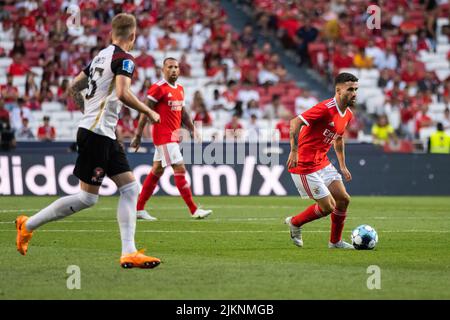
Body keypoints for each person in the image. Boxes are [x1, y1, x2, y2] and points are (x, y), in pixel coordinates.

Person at [15, 13, 162, 269]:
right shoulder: (124, 59)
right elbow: (123, 93)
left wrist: (89, 113)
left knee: (130, 188)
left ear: (111, 34)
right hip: (97, 134)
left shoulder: (101, 56)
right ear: (134, 36)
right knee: (87, 199)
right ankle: (27, 225)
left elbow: (73, 86)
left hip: (102, 132)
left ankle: (129, 251)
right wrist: (149, 111)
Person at [131, 57, 212, 221]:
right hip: (164, 136)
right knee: (180, 169)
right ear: (163, 70)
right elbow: (145, 111)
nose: (174, 69)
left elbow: (183, 113)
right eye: (170, 67)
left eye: (176, 67)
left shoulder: (180, 89)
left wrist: (193, 129)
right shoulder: (158, 88)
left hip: (172, 137)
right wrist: (138, 135)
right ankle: (194, 210)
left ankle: (139, 209)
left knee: (157, 171)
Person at [285, 73, 359, 249]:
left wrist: (342, 165)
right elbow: (295, 122)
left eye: (356, 89)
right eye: (350, 89)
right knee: (328, 207)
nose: (354, 93)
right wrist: (294, 151)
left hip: (322, 162)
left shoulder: (347, 114)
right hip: (304, 165)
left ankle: (335, 242)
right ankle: (295, 222)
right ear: (338, 90)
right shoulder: (326, 108)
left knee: (343, 200)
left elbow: (338, 139)